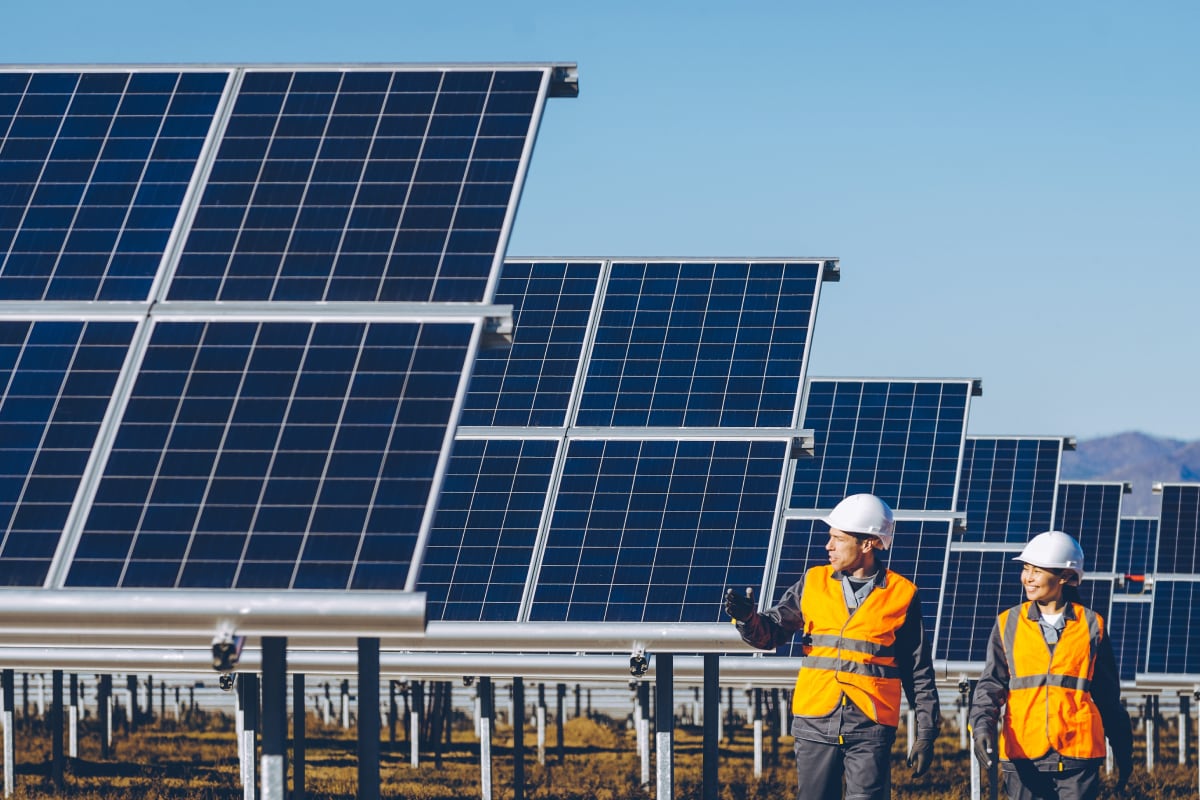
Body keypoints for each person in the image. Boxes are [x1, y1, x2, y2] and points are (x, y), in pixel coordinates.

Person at [723, 493, 940, 800]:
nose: (828, 546)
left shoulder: (902, 594)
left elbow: (918, 670)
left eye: (838, 539)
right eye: (830, 537)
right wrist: (748, 619)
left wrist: (927, 732)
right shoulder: (813, 582)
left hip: (871, 723)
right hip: (815, 718)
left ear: (867, 544)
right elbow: (770, 634)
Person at [969, 530, 1133, 800]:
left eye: (1037, 570)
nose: (1027, 577)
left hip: (1077, 756)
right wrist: (982, 726)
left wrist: (1124, 750)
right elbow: (991, 685)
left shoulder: (1092, 625)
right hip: (1022, 752)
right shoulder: (1007, 623)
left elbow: (1108, 697)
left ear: (1065, 577)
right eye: (1025, 568)